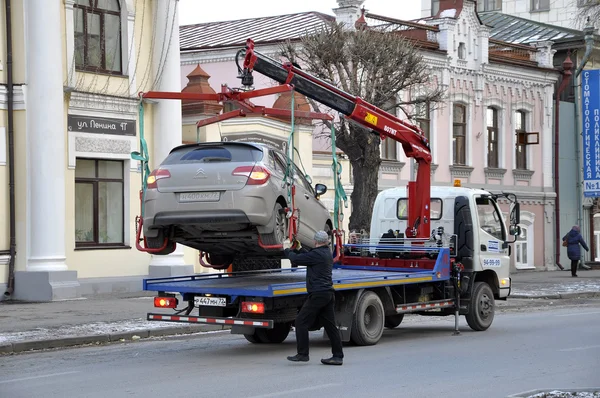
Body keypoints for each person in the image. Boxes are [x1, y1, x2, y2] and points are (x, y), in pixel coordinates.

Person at [282, 230, 344, 366]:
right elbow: (308, 256)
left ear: (315, 241)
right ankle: (338, 356)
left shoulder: (317, 254)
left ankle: (303, 354)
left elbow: (296, 259)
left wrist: (286, 249)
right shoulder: (325, 252)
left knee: (300, 321)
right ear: (326, 241)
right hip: (327, 294)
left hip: (318, 294)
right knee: (330, 326)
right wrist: (299, 248)